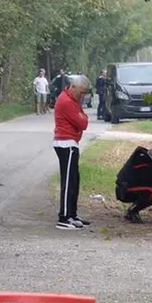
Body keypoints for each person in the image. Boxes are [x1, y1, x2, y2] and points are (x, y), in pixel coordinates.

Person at [53, 75, 91, 230]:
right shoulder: (66, 101)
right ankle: (64, 217)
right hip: (65, 143)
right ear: (73, 87)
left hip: (71, 143)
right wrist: (83, 117)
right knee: (68, 181)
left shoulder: (73, 100)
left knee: (74, 180)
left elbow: (83, 118)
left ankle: (72, 214)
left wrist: (83, 115)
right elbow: (83, 123)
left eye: (84, 94)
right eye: (80, 93)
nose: (81, 96)